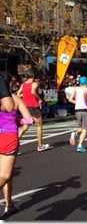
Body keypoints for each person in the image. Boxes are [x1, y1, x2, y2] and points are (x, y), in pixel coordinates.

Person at [0, 76, 32, 218]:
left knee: (7, 174)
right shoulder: (16, 100)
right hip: (9, 137)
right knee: (5, 175)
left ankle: (9, 204)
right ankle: (8, 205)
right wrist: (20, 133)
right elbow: (28, 120)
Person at [17, 73, 50, 152]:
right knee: (39, 126)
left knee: (25, 127)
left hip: (26, 107)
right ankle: (40, 145)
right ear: (33, 77)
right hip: (34, 106)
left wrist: (24, 96)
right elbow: (32, 92)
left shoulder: (23, 84)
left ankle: (13, 144)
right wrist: (39, 99)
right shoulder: (34, 84)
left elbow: (18, 94)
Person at [68, 77, 87, 153]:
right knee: (85, 129)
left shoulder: (76, 89)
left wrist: (77, 103)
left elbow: (70, 99)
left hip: (77, 110)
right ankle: (79, 145)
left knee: (81, 127)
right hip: (85, 110)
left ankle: (74, 133)